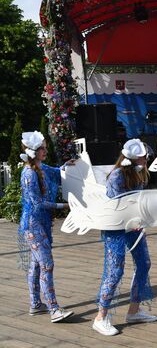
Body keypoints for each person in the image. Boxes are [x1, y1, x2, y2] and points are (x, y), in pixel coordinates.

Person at [93, 139, 157, 336]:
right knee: (115, 270)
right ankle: (100, 317)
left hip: (134, 226)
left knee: (144, 263)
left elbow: (139, 201)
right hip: (116, 228)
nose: (146, 159)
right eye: (143, 156)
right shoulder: (117, 175)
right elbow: (117, 205)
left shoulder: (140, 174)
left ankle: (134, 311)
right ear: (131, 158)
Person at [18, 131, 74, 323]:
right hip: (33, 224)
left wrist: (68, 167)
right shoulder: (29, 174)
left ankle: (35, 304)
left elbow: (57, 171)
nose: (45, 150)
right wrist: (63, 206)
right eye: (43, 148)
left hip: (41, 223)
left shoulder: (41, 167)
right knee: (47, 264)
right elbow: (36, 203)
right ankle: (54, 309)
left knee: (36, 264)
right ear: (34, 151)